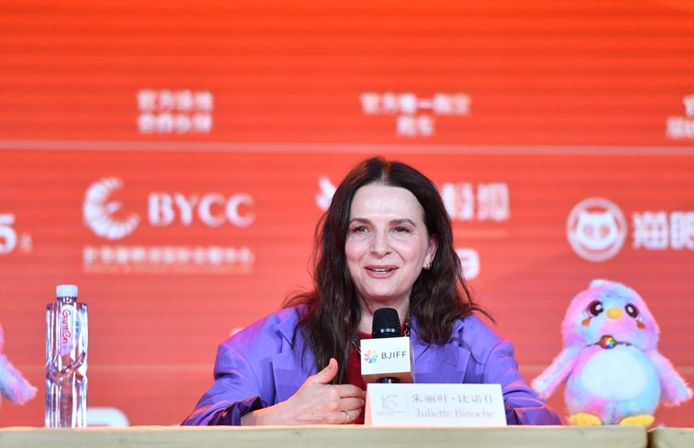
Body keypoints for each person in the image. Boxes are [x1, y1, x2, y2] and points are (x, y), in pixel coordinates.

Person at [182, 157, 561, 426]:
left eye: (400, 229)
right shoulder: (273, 341)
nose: (380, 248)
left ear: (430, 250)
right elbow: (193, 436)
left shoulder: (472, 345)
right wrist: (272, 420)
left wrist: (446, 411)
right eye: (361, 229)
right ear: (340, 246)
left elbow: (541, 426)